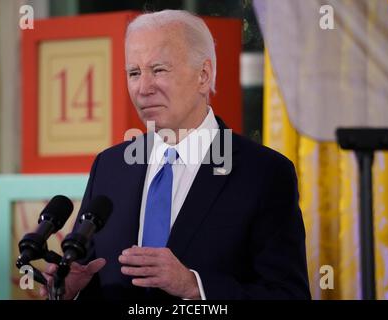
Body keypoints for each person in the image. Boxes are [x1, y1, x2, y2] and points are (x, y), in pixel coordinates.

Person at [40, 9, 311, 300]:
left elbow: (289, 294)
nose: (143, 88)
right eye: (134, 73)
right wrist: (70, 292)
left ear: (203, 76)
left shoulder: (264, 174)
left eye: (158, 70)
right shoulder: (110, 166)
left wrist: (196, 287)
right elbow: (95, 275)